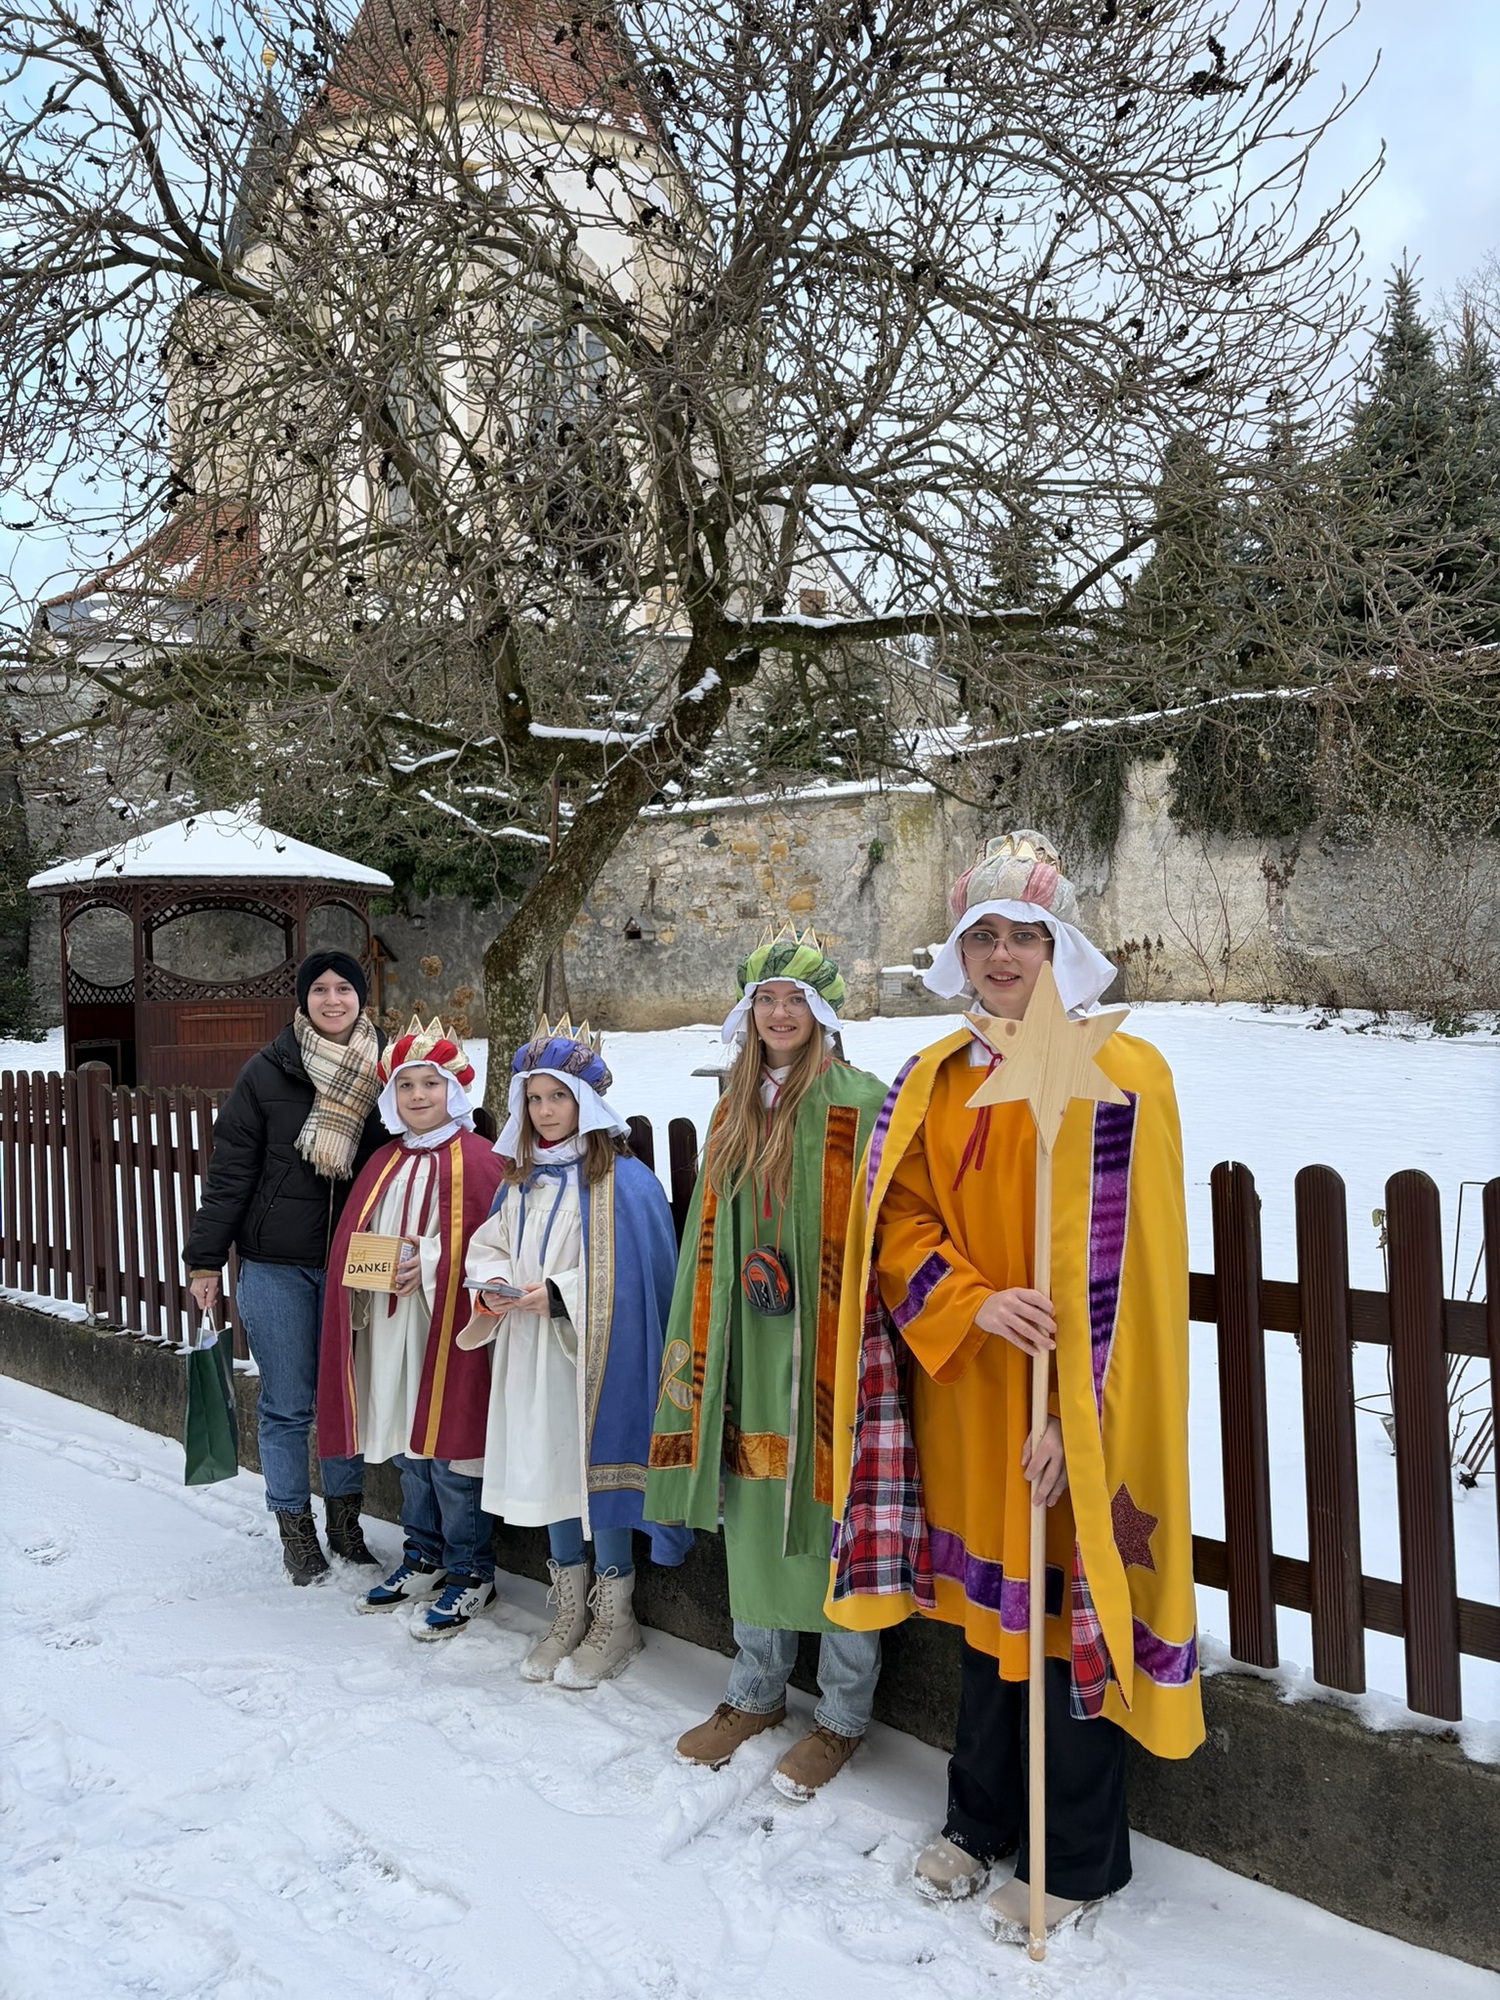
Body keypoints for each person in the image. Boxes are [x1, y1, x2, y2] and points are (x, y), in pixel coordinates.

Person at [826, 831, 1203, 1942]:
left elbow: (1135, 1276)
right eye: (981, 936)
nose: (1001, 955)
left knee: (1066, 1615)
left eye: (1023, 936)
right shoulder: (935, 1080)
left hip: (1070, 1412)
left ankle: (1075, 1859)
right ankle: (980, 1813)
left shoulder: (1125, 1073)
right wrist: (972, 1299)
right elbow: (898, 1221)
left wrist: (1079, 1422)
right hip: (970, 1394)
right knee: (991, 1620)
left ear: (1060, 947)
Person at [646, 927, 889, 1800]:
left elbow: (893, 1232)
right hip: (750, 1349)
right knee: (755, 1514)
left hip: (831, 1356)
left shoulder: (864, 1102)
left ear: (822, 1012)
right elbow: (709, 1241)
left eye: (795, 1000)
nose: (779, 1014)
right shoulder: (732, 1111)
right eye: (765, 1000)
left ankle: (843, 1713)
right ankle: (755, 1689)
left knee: (840, 1523)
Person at [461, 1017, 692, 1687]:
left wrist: (560, 1297)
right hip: (530, 1355)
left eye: (557, 1097)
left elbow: (638, 1281)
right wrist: (494, 1282)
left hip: (594, 1361)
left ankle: (615, 1619)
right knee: (551, 1468)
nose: (544, 1111)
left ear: (584, 1101)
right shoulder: (520, 1179)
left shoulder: (626, 1183)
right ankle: (568, 1612)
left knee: (599, 1472)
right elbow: (490, 1243)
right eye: (533, 1099)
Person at [185, 950, 386, 1584]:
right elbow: (230, 1173)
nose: (332, 1000)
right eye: (319, 989)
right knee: (288, 1404)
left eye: (344, 989)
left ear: (360, 997)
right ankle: (295, 1528)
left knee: (345, 1399)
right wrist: (205, 1259)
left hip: (358, 1260)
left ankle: (346, 1524)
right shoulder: (265, 1072)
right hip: (276, 1265)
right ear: (303, 1000)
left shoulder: (389, 1070)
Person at [316, 1019, 505, 1638]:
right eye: (406, 1085)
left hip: (447, 1330)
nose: (418, 1095)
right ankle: (423, 1555)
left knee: (451, 1453)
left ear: (454, 1089)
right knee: (407, 1447)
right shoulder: (382, 1160)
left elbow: (491, 1249)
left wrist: (423, 1263)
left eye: (430, 1083)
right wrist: (367, 1268)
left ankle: (471, 1570)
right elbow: (357, 1240)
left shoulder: (481, 1159)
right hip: (391, 1330)